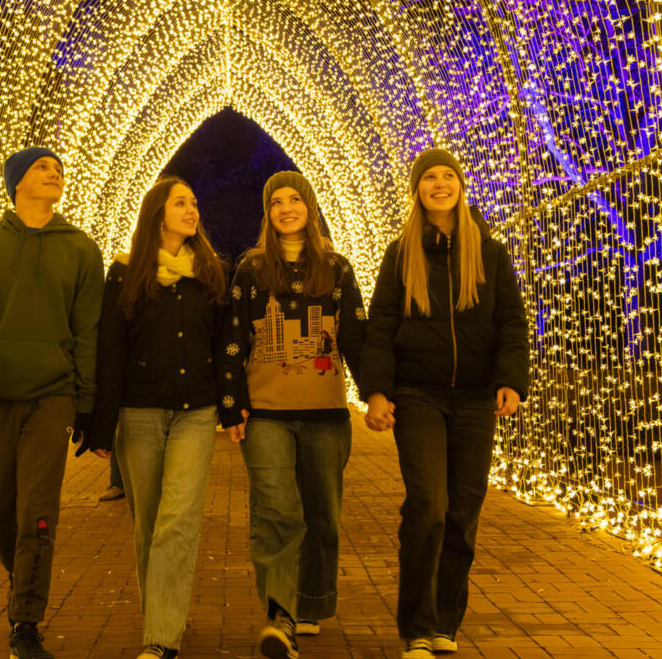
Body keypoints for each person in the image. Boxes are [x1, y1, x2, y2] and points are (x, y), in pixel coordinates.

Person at [359, 148, 529, 659]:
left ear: (460, 185)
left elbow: (512, 323)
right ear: (416, 190)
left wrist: (511, 380)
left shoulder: (490, 252)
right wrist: (377, 391)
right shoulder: (400, 253)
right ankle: (416, 625)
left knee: (463, 509)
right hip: (419, 395)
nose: (439, 184)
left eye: (447, 176)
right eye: (429, 177)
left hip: (477, 398)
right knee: (428, 506)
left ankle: (446, 620)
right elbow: (382, 326)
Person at [0, 146, 103, 659]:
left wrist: (85, 401)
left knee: (37, 513)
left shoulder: (81, 249)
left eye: (59, 169)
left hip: (52, 397)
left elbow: (87, 330)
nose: (55, 174)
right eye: (42, 167)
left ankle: (26, 622)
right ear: (16, 182)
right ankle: (25, 574)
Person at [219, 170, 367, 659]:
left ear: (310, 205)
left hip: (326, 414)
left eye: (294, 200)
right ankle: (279, 613)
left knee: (322, 515)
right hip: (267, 415)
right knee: (276, 512)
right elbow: (233, 341)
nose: (286, 208)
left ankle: (312, 603)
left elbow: (356, 341)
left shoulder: (338, 269)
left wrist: (378, 394)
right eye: (276, 202)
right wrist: (231, 405)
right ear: (268, 213)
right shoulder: (251, 270)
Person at [86, 177, 229, 659]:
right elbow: (112, 352)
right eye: (181, 203)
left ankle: (161, 638)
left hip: (196, 411)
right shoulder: (125, 274)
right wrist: (102, 425)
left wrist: (230, 408)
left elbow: (221, 348)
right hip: (140, 412)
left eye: (194, 202)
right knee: (147, 524)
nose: (192, 210)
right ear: (157, 213)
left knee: (177, 520)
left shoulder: (209, 273)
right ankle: (165, 618)